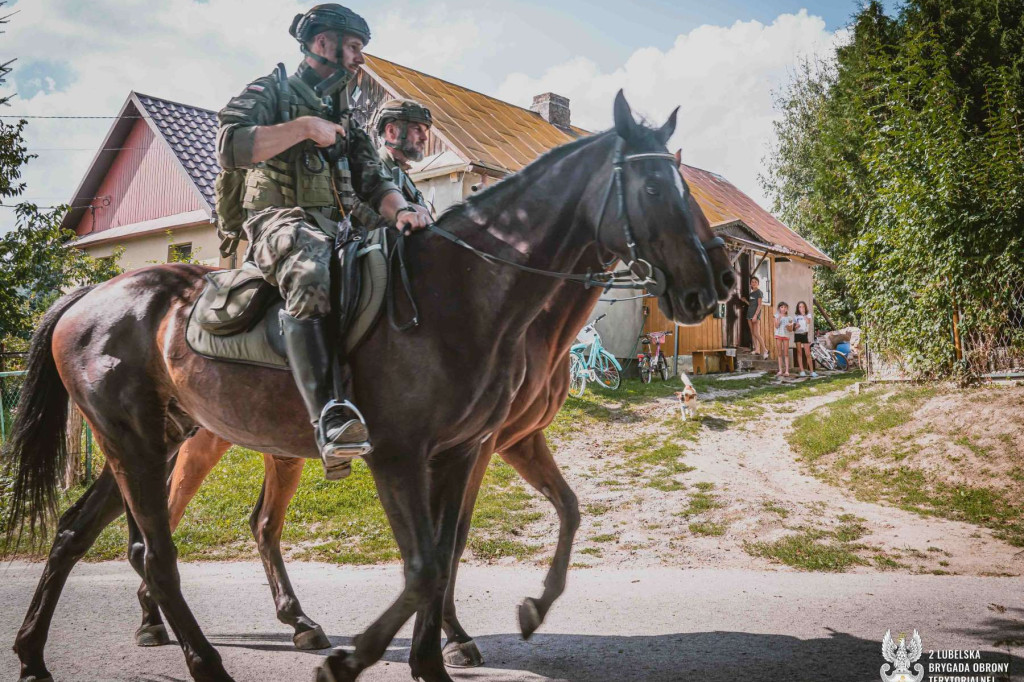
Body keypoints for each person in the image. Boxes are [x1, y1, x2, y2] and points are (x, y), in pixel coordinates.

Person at [215, 4, 429, 479]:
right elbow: (229, 145)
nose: (359, 59)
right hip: (276, 220)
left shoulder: (348, 112)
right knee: (311, 271)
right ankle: (329, 419)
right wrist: (304, 128)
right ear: (320, 44)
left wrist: (406, 213)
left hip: (337, 227)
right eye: (353, 47)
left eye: (361, 50)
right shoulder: (271, 89)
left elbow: (375, 180)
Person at [743, 276, 769, 359]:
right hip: (749, 314)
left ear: (758, 283)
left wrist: (755, 315)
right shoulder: (751, 293)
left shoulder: (759, 292)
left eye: (755, 282)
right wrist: (745, 301)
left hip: (755, 315)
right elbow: (751, 304)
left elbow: (759, 305)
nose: (753, 283)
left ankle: (765, 350)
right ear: (750, 283)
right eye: (752, 282)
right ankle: (757, 349)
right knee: (752, 332)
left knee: (756, 333)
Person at [793, 300, 817, 377]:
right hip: (797, 334)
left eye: (803, 306)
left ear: (805, 307)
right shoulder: (796, 316)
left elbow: (808, 322)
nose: (801, 308)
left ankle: (812, 371)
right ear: (798, 308)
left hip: (804, 334)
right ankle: (802, 371)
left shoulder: (808, 315)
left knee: (808, 353)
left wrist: (804, 315)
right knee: (799, 352)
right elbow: (793, 327)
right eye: (800, 307)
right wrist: (795, 326)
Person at [774, 301, 793, 377]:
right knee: (779, 353)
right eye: (782, 307)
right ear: (779, 308)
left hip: (786, 336)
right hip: (778, 335)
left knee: (786, 354)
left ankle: (787, 371)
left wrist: (789, 326)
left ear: (787, 309)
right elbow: (776, 326)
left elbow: (790, 330)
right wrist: (778, 319)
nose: (783, 308)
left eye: (785, 307)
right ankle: (780, 370)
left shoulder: (789, 318)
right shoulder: (776, 316)